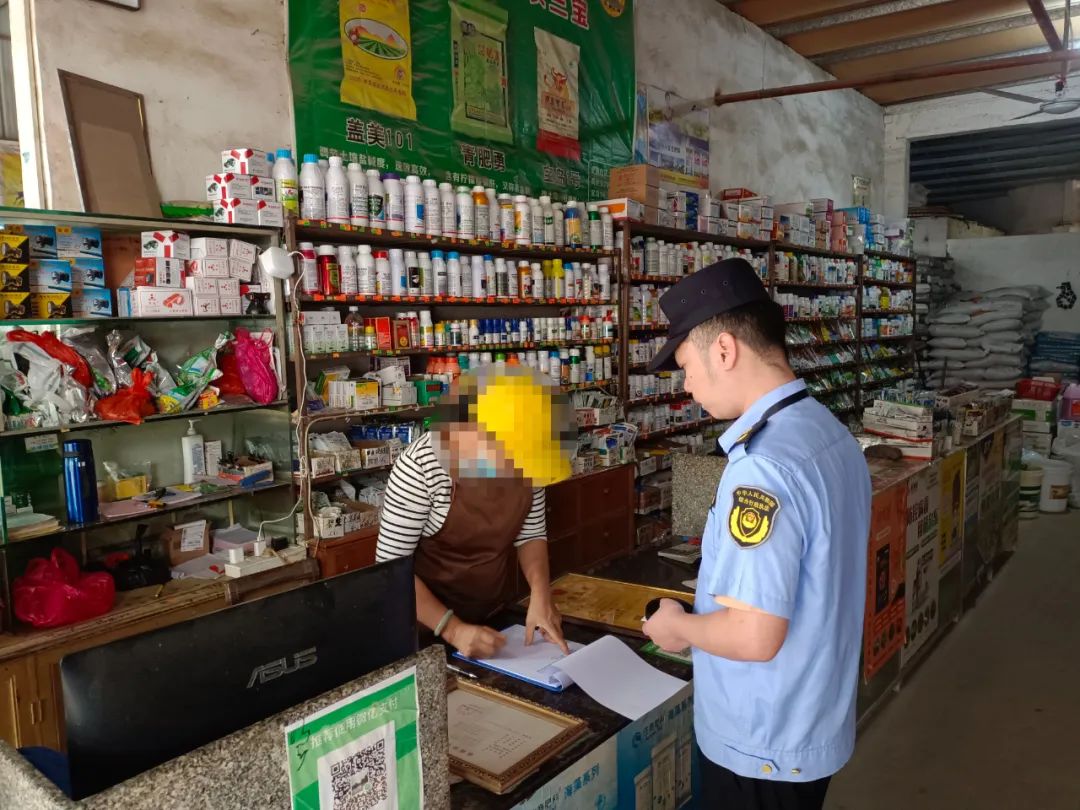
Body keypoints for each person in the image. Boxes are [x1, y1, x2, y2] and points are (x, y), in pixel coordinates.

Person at [642, 258, 871, 810]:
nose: (687, 385)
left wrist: (677, 627)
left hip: (763, 739)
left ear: (724, 350)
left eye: (686, 366)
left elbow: (754, 636)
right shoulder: (825, 430)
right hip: (811, 717)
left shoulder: (762, 467)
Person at [376, 365, 576, 660]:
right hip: (422, 627)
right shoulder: (420, 468)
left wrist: (540, 593)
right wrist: (453, 629)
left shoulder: (529, 458)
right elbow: (392, 571)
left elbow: (531, 534)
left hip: (490, 615)